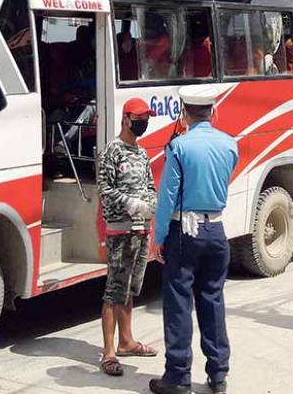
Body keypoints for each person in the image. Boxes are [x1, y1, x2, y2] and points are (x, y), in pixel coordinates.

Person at [150, 86, 239, 394]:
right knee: (213, 301)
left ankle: (177, 377)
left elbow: (167, 198)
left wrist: (159, 237)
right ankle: (218, 375)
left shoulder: (179, 146)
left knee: (178, 305)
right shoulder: (230, 145)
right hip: (216, 230)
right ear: (213, 112)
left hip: (184, 233)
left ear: (184, 114)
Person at [97, 97, 159, 377]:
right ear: (125, 119)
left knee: (131, 288)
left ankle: (127, 341)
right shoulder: (113, 151)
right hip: (120, 230)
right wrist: (130, 204)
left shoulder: (141, 153)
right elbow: (105, 188)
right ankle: (109, 352)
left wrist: (151, 206)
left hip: (141, 230)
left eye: (145, 118)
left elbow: (149, 185)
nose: (142, 123)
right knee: (114, 290)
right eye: (138, 118)